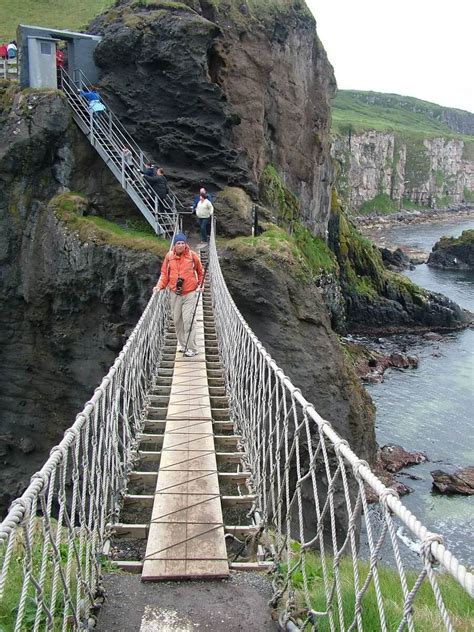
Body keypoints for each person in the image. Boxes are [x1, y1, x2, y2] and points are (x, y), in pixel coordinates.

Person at [154, 233, 204, 357]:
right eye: (178, 243)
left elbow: (200, 271)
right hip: (174, 293)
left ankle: (192, 348)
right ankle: (183, 345)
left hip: (190, 293)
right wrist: (159, 286)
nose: (180, 245)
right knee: (177, 321)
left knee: (188, 320)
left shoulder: (193, 256)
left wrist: (201, 284)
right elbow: (164, 274)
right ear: (174, 245)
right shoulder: (169, 257)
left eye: (182, 243)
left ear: (185, 244)